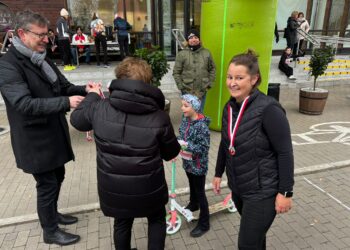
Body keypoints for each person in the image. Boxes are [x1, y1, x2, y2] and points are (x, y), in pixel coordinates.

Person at [0, 10, 98, 246]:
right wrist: (66, 103)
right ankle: (50, 230)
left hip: (53, 133)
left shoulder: (40, 57)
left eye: (48, 34)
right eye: (41, 35)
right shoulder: (8, 65)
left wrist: (84, 88)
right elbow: (23, 104)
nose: (47, 39)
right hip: (34, 139)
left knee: (58, 175)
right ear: (21, 34)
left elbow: (63, 86)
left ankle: (53, 215)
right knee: (47, 184)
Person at [70, 57, 181, 250]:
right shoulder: (159, 116)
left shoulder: (99, 108)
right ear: (147, 83)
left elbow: (78, 121)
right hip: (149, 187)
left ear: (119, 79)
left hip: (114, 188)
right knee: (156, 220)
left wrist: (94, 95)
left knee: (122, 222)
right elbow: (170, 152)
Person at [212, 50, 294, 249]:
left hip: (263, 192)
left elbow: (285, 153)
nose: (232, 83)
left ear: (254, 79)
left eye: (239, 78)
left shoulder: (269, 109)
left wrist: (285, 192)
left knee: (247, 244)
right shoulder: (229, 107)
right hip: (240, 188)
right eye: (230, 77)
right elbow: (226, 143)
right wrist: (218, 172)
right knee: (257, 241)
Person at [178, 94, 210, 238]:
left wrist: (186, 145)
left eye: (186, 105)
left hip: (198, 164)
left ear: (194, 107)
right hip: (187, 162)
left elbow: (203, 148)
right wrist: (177, 144)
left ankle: (204, 223)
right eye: (182, 105)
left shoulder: (202, 126)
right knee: (191, 185)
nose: (182, 108)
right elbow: (180, 136)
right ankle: (193, 204)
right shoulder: (185, 121)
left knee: (200, 191)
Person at [173, 29, 216, 113]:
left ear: (199, 39)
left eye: (196, 37)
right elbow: (176, 72)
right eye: (191, 38)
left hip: (202, 90)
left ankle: (199, 126)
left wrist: (209, 84)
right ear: (187, 40)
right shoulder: (182, 54)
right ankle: (187, 127)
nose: (193, 39)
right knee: (187, 113)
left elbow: (212, 69)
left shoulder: (207, 53)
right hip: (186, 90)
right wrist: (181, 86)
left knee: (199, 113)